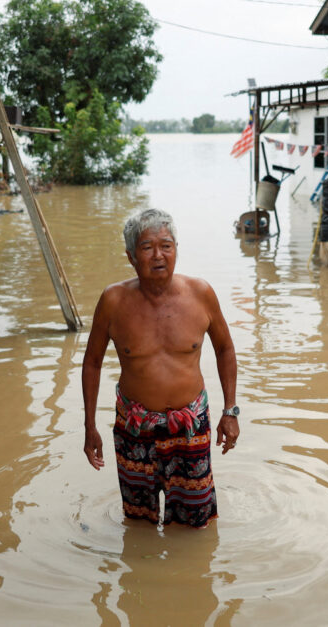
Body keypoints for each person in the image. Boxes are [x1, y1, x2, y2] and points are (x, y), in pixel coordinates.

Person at [82, 208, 238, 528]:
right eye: (147, 247)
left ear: (176, 250)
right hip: (134, 427)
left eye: (166, 245)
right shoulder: (113, 301)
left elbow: (225, 348)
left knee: (196, 523)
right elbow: (92, 362)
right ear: (130, 256)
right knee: (138, 523)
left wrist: (230, 411)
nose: (158, 255)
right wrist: (89, 426)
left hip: (191, 426)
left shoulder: (201, 294)